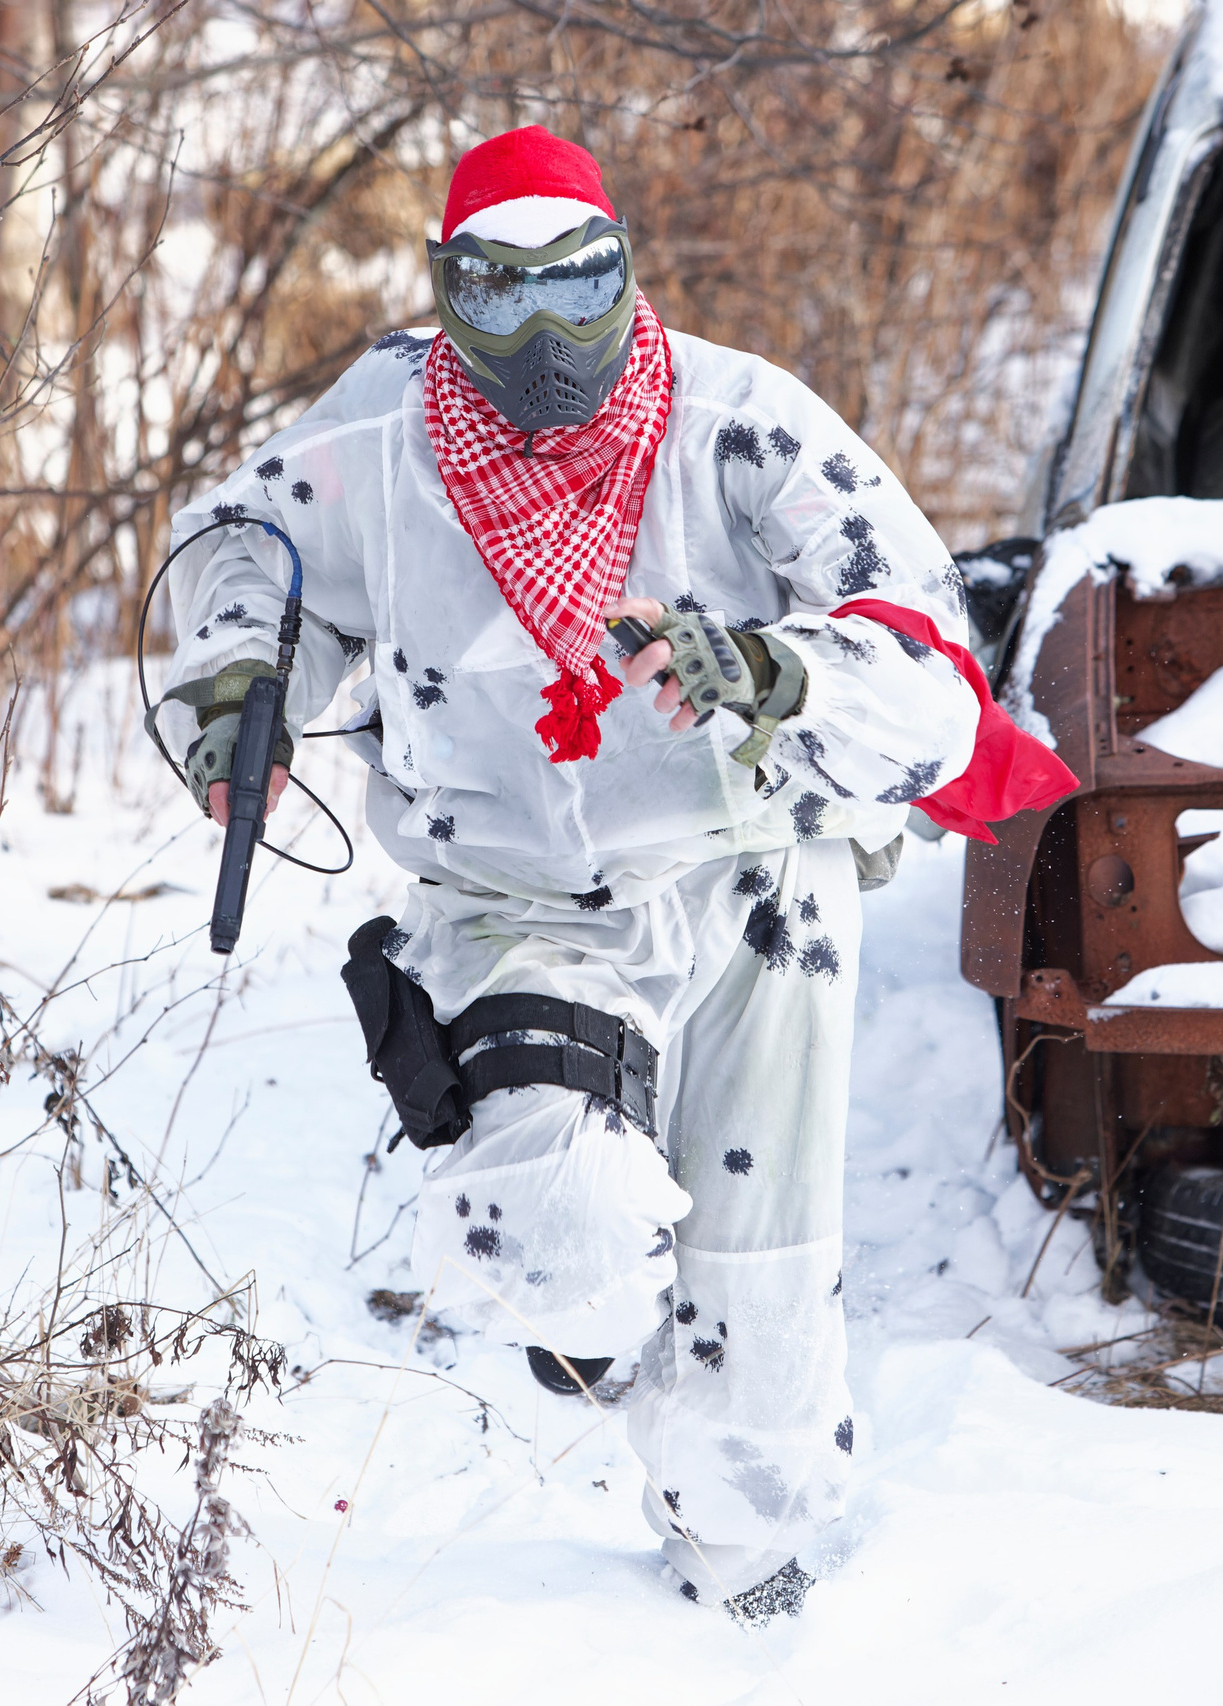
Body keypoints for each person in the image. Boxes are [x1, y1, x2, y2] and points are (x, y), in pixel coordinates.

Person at [156, 126, 1074, 1617]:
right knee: (550, 1234)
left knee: (761, 1302)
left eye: (578, 288)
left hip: (759, 900)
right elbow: (248, 545)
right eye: (498, 297)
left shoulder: (737, 423)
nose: (543, 337)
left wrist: (778, 670)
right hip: (514, 900)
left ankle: (747, 1574)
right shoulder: (380, 436)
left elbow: (929, 671)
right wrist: (236, 679)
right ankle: (599, 1312)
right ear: (446, 294)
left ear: (626, 271)